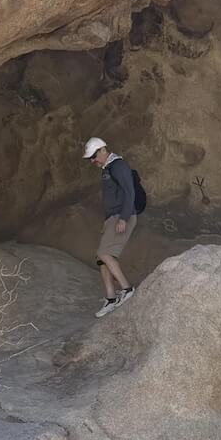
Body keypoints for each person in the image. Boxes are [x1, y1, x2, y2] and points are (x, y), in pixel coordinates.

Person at [83, 136, 137, 318]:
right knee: (102, 259)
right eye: (90, 158)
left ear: (103, 150)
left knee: (104, 255)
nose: (92, 161)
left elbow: (130, 192)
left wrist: (123, 218)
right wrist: (107, 222)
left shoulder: (118, 166)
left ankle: (127, 290)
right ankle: (111, 299)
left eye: (93, 156)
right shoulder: (108, 168)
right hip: (112, 219)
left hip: (122, 216)